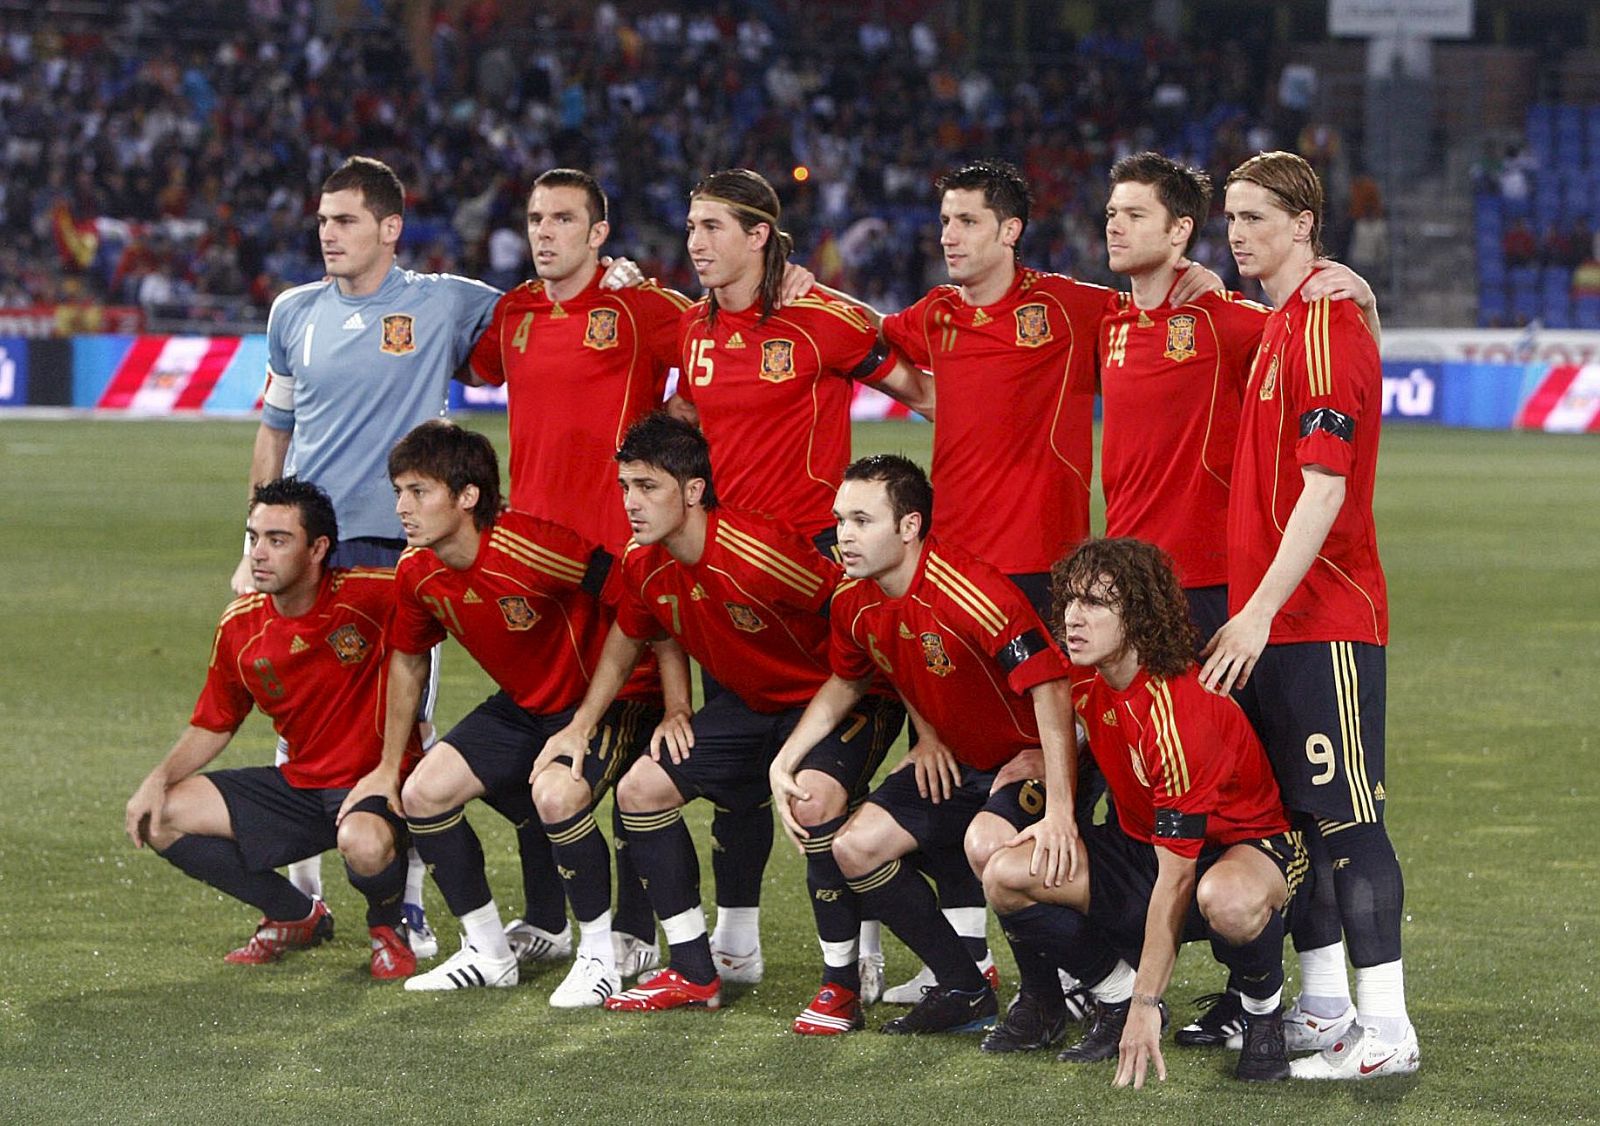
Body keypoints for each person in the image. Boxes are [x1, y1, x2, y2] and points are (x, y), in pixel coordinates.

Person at [541, 413, 903, 1030]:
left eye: (647, 487)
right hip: (752, 705)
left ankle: (843, 981)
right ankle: (692, 969)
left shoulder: (760, 552)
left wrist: (927, 729)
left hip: (845, 695)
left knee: (811, 800)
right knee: (640, 789)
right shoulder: (643, 560)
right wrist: (590, 723)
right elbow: (638, 633)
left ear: (692, 491)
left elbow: (860, 606)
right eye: (625, 485)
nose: (631, 502)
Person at [664, 168, 931, 992]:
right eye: (691, 227)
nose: (697, 243)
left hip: (819, 577)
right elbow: (691, 423)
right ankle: (735, 943)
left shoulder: (825, 318)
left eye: (713, 228)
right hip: (729, 580)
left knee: (833, 771)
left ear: (757, 236)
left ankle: (869, 948)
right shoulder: (692, 332)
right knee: (736, 768)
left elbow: (926, 392)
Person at [231, 155, 502, 953]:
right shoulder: (294, 312)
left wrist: (617, 272)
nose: (328, 234)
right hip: (311, 551)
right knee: (296, 722)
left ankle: (407, 902)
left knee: (402, 727)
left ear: (390, 227)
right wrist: (255, 540)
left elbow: (541, 309)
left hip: (400, 551)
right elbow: (274, 430)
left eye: (345, 220)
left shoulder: (442, 302)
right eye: (322, 220)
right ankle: (299, 900)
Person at [1201, 150, 1418, 1079]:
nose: (1238, 232)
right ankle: (1327, 1008)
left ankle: (1389, 1030)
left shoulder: (1325, 322)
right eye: (1231, 217)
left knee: (1351, 824)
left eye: (1255, 216)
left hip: (1320, 616)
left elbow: (1325, 489)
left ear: (1303, 222)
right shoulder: (1286, 321)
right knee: (1298, 824)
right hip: (1281, 622)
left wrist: (1253, 613)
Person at [347, 421, 679, 1004]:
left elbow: (641, 601)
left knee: (556, 796)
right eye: (399, 491)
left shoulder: (534, 545)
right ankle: (486, 952)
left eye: (418, 492)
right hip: (527, 706)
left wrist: (654, 709)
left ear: (468, 496)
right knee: (425, 792)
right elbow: (406, 661)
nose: (401, 507)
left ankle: (599, 955)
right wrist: (386, 766)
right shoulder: (417, 570)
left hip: (615, 699)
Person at [465, 167, 693, 980]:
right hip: (532, 567)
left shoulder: (640, 308)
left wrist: (677, 435)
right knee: (538, 729)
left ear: (600, 234)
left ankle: (633, 931)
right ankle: (550, 918)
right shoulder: (514, 312)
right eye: (535, 218)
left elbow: (717, 349)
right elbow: (476, 358)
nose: (545, 232)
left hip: (617, 566)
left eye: (564, 219)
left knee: (623, 750)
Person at [769, 454, 1079, 1036]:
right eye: (840, 520)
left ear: (909, 527)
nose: (844, 536)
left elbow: (1052, 686)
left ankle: (1047, 1000)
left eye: (862, 521)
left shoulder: (973, 592)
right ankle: (963, 988)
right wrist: (786, 758)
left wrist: (1060, 803)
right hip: (960, 760)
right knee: (854, 846)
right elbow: (854, 675)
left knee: (989, 844)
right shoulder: (852, 599)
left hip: (1031, 757)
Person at [983, 537, 1302, 1087]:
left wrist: (1148, 1004)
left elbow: (1178, 878)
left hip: (1241, 849)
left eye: (1096, 604)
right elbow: (1051, 695)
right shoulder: (1087, 666)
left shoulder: (1177, 714)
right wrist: (1058, 806)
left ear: (1138, 618)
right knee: (1006, 873)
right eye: (1071, 601)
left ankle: (1262, 1018)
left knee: (1225, 900)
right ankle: (1110, 994)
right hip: (1142, 847)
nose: (1073, 618)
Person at [124, 478, 419, 980]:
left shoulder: (372, 594)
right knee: (160, 817)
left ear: (318, 549)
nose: (259, 554)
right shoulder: (240, 625)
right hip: (300, 788)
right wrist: (157, 778)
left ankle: (386, 928)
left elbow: (449, 598)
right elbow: (214, 721)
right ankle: (295, 914)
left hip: (376, 786)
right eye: (254, 537)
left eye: (277, 540)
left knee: (364, 843)